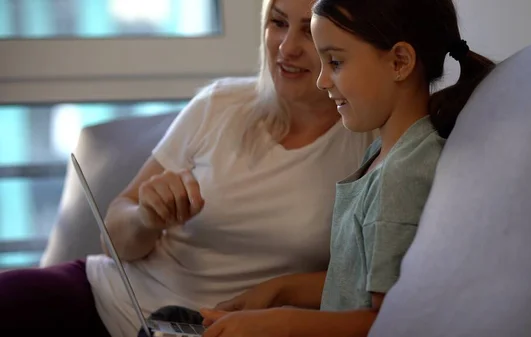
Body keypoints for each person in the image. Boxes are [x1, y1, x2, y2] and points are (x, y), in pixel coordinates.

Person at [0, 0, 375, 335]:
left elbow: (367, 284)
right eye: (277, 22)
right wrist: (146, 217)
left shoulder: (369, 143)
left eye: (308, 31)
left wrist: (282, 292)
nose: (286, 47)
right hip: (107, 295)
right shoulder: (220, 103)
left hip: (212, 327)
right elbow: (114, 239)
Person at [195, 0, 496, 336]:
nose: (323, 81)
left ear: (400, 62)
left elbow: (389, 323)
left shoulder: (404, 174)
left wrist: (282, 322)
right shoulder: (386, 155)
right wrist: (279, 290)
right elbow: (357, 283)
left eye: (335, 62)